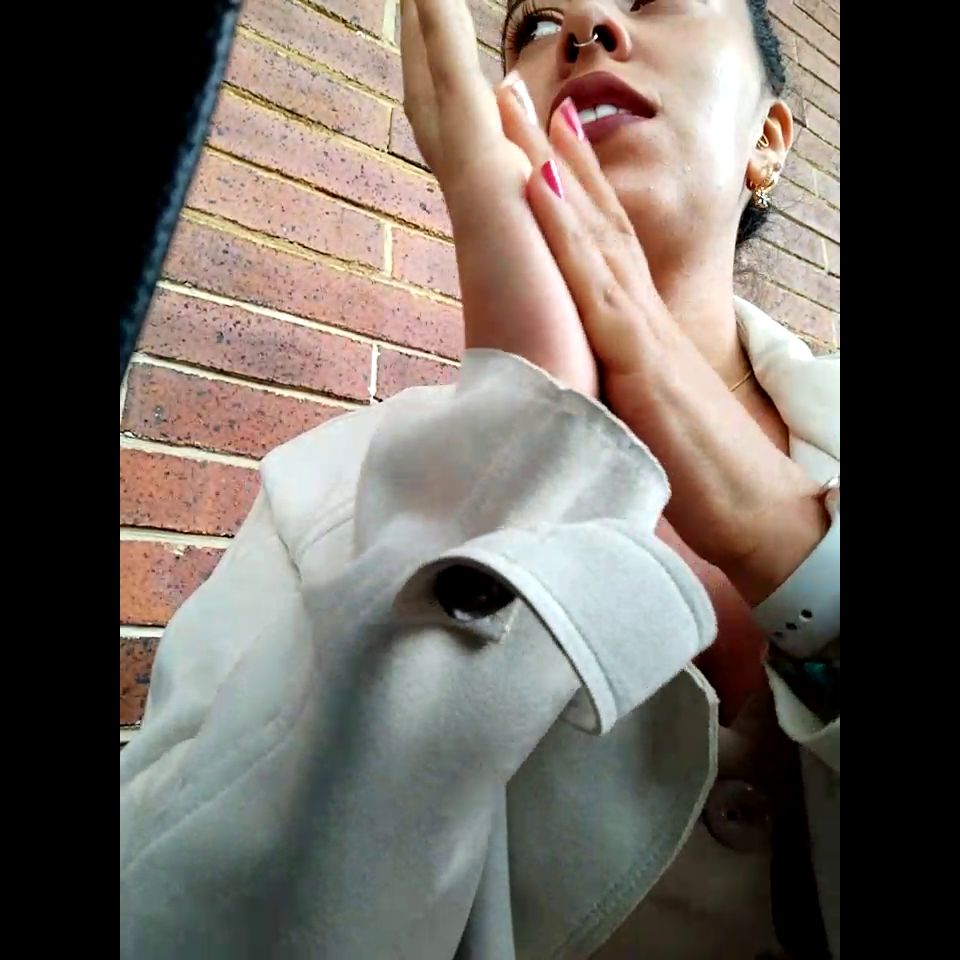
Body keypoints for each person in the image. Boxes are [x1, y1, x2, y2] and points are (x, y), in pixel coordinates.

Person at [119, 1, 839, 957]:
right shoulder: (321, 494)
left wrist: (797, 555)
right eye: (534, 26)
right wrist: (528, 424)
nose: (586, 22)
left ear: (768, 141)